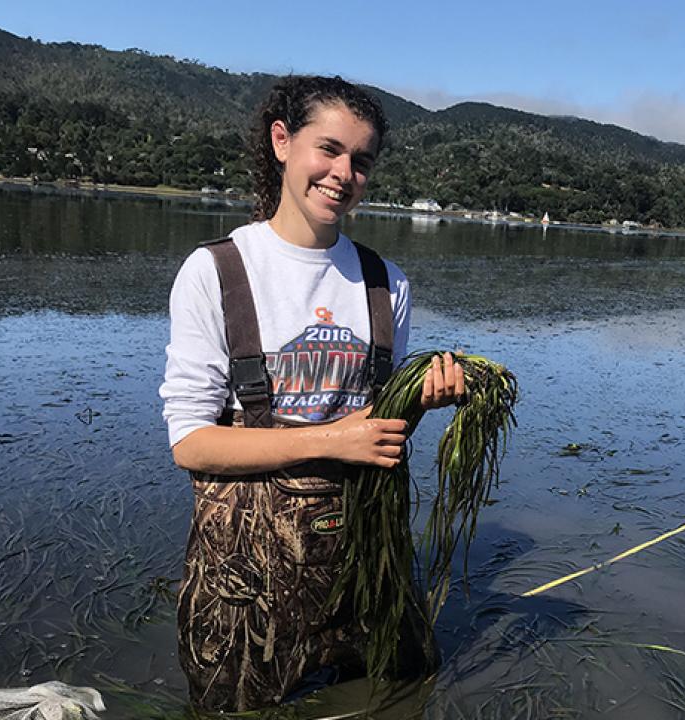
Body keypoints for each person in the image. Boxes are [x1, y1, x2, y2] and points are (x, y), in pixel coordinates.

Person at [159, 75, 463, 711]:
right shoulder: (217, 271)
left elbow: (378, 421)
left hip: (366, 555)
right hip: (245, 575)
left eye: (361, 160)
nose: (342, 173)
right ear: (281, 142)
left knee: (402, 685)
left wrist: (421, 396)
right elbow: (190, 443)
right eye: (327, 149)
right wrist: (335, 439)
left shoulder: (386, 282)